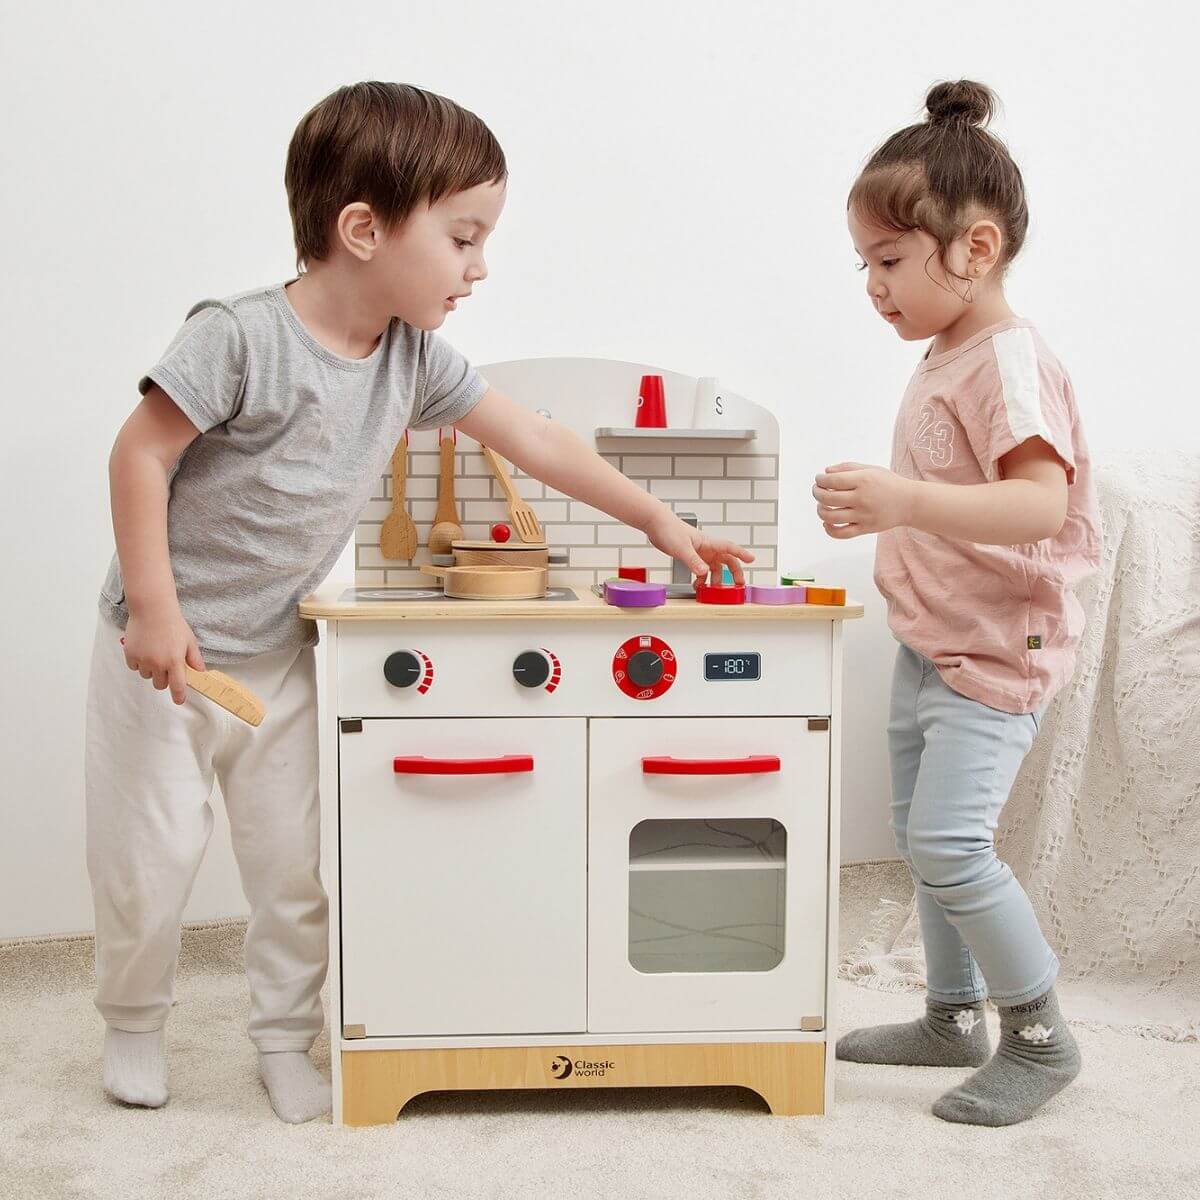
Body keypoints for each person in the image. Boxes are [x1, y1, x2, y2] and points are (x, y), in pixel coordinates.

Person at [88, 80, 752, 1123]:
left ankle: (282, 1037)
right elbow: (140, 454)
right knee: (152, 853)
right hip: (161, 654)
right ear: (363, 230)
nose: (479, 266)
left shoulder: (414, 359)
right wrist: (154, 608)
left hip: (276, 656)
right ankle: (132, 1022)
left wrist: (658, 522)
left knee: (295, 866)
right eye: (463, 238)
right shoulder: (240, 336)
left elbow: (536, 439)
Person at [817, 79, 1100, 1126]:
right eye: (865, 264)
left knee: (949, 846)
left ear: (974, 249)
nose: (873, 286)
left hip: (997, 650)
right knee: (920, 838)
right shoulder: (949, 353)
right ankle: (950, 1016)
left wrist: (902, 501)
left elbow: (1041, 503)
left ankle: (1040, 1036)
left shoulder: (1009, 363)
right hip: (935, 643)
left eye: (890, 262)